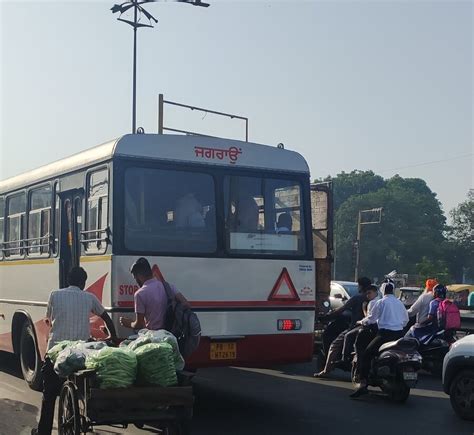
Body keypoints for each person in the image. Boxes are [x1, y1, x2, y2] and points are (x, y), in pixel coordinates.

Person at [32, 267, 118, 435]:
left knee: (49, 395)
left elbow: (48, 319)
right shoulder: (89, 297)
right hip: (79, 354)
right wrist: (113, 337)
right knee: (80, 386)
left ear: (68, 280)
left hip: (56, 351)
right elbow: (106, 317)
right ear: (83, 283)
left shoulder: (55, 295)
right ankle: (74, 415)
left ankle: (43, 432)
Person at [351, 280, 409, 398]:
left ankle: (363, 384)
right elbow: (405, 320)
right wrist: (397, 325)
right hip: (399, 335)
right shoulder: (399, 303)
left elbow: (371, 319)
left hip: (384, 335)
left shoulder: (381, 302)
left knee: (367, 354)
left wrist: (360, 321)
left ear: (382, 291)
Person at [313, 277, 372, 378]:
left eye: (358, 285)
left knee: (334, 345)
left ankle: (326, 371)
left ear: (361, 286)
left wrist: (327, 317)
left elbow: (341, 309)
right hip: (371, 328)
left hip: (355, 327)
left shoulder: (357, 298)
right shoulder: (373, 299)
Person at [119, 257, 189, 331]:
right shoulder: (169, 287)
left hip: (154, 337)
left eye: (135, 278)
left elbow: (139, 324)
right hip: (171, 333)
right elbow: (186, 304)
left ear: (138, 276)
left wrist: (129, 323)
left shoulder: (140, 294)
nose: (136, 281)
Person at [338, 284, 380, 368]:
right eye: (367, 293)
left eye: (370, 293)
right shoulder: (381, 301)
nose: (368, 295)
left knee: (348, 336)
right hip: (379, 328)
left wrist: (360, 319)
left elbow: (369, 318)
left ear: (376, 293)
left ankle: (345, 359)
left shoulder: (373, 302)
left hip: (370, 327)